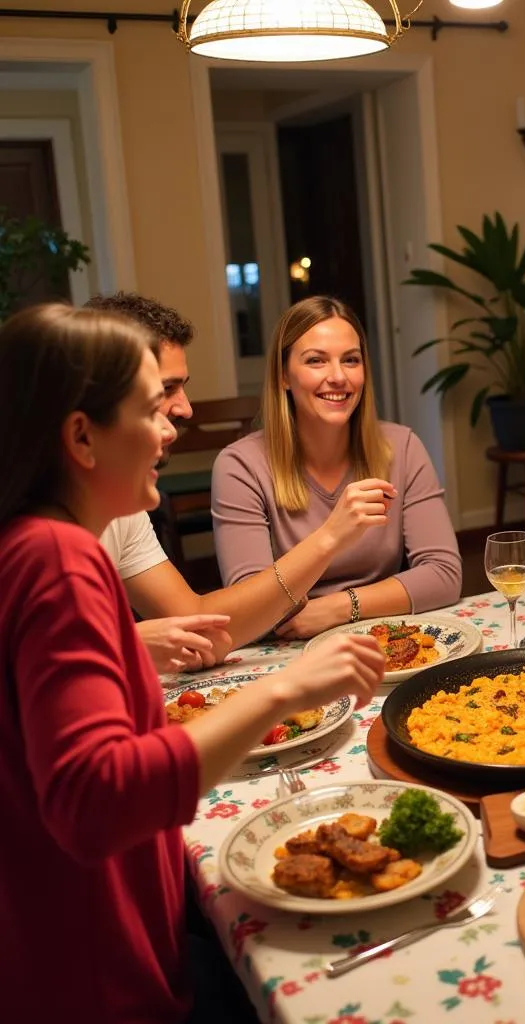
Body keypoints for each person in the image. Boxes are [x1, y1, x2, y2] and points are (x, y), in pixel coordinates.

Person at [0, 303, 384, 1023]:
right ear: (81, 436)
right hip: (92, 974)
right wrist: (282, 690)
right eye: (151, 409)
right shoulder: (61, 557)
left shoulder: (29, 541)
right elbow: (93, 801)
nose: (171, 429)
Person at [85, 292, 393, 672]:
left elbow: (199, 625)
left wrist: (284, 690)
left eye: (351, 360)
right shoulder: (31, 521)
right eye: (165, 390)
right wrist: (123, 645)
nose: (185, 408)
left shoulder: (121, 511)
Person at [212, 296, 462, 638]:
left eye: (351, 360)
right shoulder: (240, 466)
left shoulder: (401, 448)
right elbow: (249, 607)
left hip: (382, 639)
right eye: (316, 360)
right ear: (283, 376)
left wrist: (342, 607)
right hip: (288, 650)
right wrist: (331, 535)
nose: (338, 376)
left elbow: (444, 574)